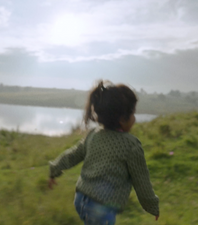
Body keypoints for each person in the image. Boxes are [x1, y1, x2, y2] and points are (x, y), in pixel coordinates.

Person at [48, 80, 159, 225]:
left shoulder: (93, 134)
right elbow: (142, 181)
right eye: (132, 113)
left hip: (81, 198)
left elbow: (73, 155)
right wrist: (152, 206)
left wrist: (54, 168)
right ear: (122, 119)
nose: (134, 118)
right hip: (101, 206)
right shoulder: (131, 145)